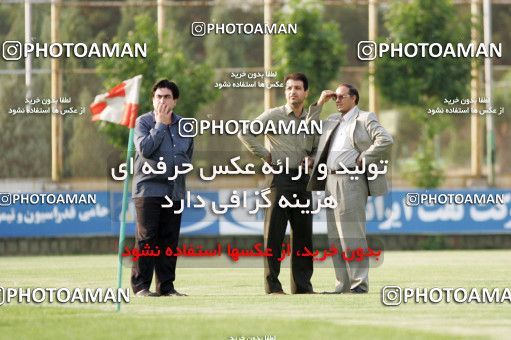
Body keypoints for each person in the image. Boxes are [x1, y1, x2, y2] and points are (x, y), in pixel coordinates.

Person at [238, 73, 331, 294]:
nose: (293, 92)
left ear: (305, 92)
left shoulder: (310, 119)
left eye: (298, 88)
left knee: (303, 236)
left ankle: (302, 286)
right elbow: (245, 133)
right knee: (274, 236)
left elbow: (317, 146)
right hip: (278, 179)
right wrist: (266, 155)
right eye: (289, 88)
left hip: (303, 180)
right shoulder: (273, 115)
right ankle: (273, 286)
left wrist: (313, 158)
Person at [307, 83, 393, 294]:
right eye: (335, 97)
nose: (337, 100)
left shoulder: (365, 118)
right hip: (330, 181)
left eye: (341, 96)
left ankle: (358, 285)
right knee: (335, 237)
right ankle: (343, 285)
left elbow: (386, 139)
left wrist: (366, 156)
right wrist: (318, 104)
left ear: (354, 98)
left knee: (352, 234)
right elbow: (307, 134)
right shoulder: (331, 121)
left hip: (351, 179)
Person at [131, 79, 193, 297]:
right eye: (158, 96)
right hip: (148, 190)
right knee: (147, 238)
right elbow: (145, 150)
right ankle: (141, 287)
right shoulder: (142, 122)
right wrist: (160, 124)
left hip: (174, 190)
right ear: (153, 99)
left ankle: (166, 287)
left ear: (175, 101)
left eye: (167, 97)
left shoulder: (186, 125)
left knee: (169, 239)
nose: (162, 101)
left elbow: (187, 155)